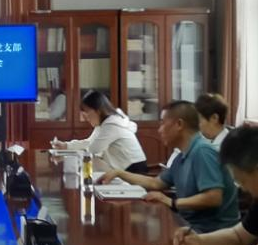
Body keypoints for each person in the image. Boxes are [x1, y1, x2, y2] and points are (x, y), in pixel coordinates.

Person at [102, 99, 238, 232]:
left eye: (162, 123)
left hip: (211, 232)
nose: (160, 130)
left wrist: (172, 202)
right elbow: (156, 183)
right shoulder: (183, 154)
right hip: (190, 226)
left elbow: (213, 198)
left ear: (179, 124)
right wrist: (119, 173)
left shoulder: (202, 151)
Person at [50, 90, 148, 172]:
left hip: (134, 169)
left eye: (87, 112)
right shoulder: (103, 124)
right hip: (123, 167)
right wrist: (66, 145)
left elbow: (92, 150)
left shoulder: (112, 125)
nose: (85, 117)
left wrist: (65, 156)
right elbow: (89, 142)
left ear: (98, 110)